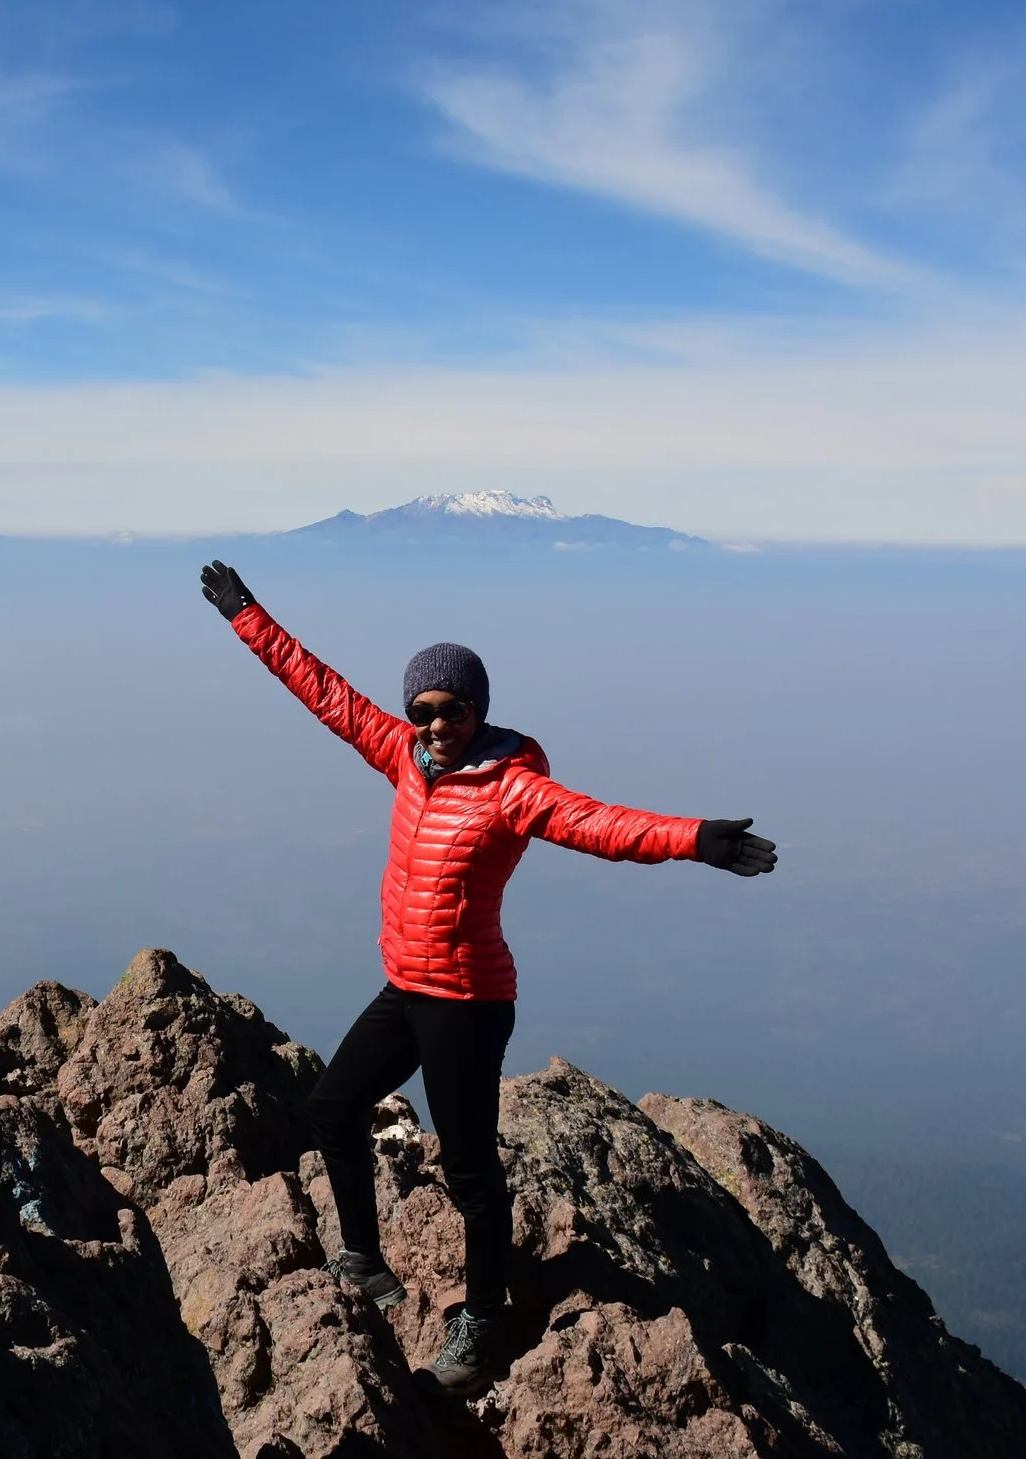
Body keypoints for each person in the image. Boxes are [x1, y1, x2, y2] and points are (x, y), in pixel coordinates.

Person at [197, 560, 777, 1397]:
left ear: (480, 710)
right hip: (407, 983)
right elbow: (322, 690)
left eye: (452, 711)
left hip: (467, 1002)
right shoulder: (401, 753)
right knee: (331, 1106)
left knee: (470, 1171)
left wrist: (694, 838)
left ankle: (481, 1323)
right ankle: (362, 1258)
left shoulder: (510, 787)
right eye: (422, 710)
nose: (435, 725)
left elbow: (595, 822)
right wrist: (247, 616)